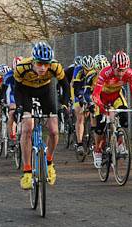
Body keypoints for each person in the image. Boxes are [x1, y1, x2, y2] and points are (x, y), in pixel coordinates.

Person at [14, 42, 70, 189]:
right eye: (39, 63)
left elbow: (65, 85)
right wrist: (19, 108)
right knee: (27, 128)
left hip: (45, 90)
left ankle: (50, 163)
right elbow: (17, 90)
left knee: (54, 130)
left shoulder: (55, 67)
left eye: (46, 64)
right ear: (33, 61)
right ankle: (26, 171)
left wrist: (64, 105)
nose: (43, 68)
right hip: (26, 91)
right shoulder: (21, 68)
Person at [90, 50, 132, 168]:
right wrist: (102, 107)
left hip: (116, 96)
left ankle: (120, 143)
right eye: (119, 70)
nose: (121, 73)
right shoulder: (105, 73)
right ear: (113, 66)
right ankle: (98, 150)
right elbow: (95, 95)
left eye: (124, 70)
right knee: (99, 128)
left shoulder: (130, 74)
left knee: (124, 118)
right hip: (102, 98)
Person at [71, 55, 95, 155]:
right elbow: (75, 88)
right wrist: (80, 99)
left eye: (90, 69)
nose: (88, 71)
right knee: (80, 115)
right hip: (79, 90)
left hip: (89, 91)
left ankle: (93, 136)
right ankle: (80, 143)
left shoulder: (94, 72)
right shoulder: (78, 70)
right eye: (86, 69)